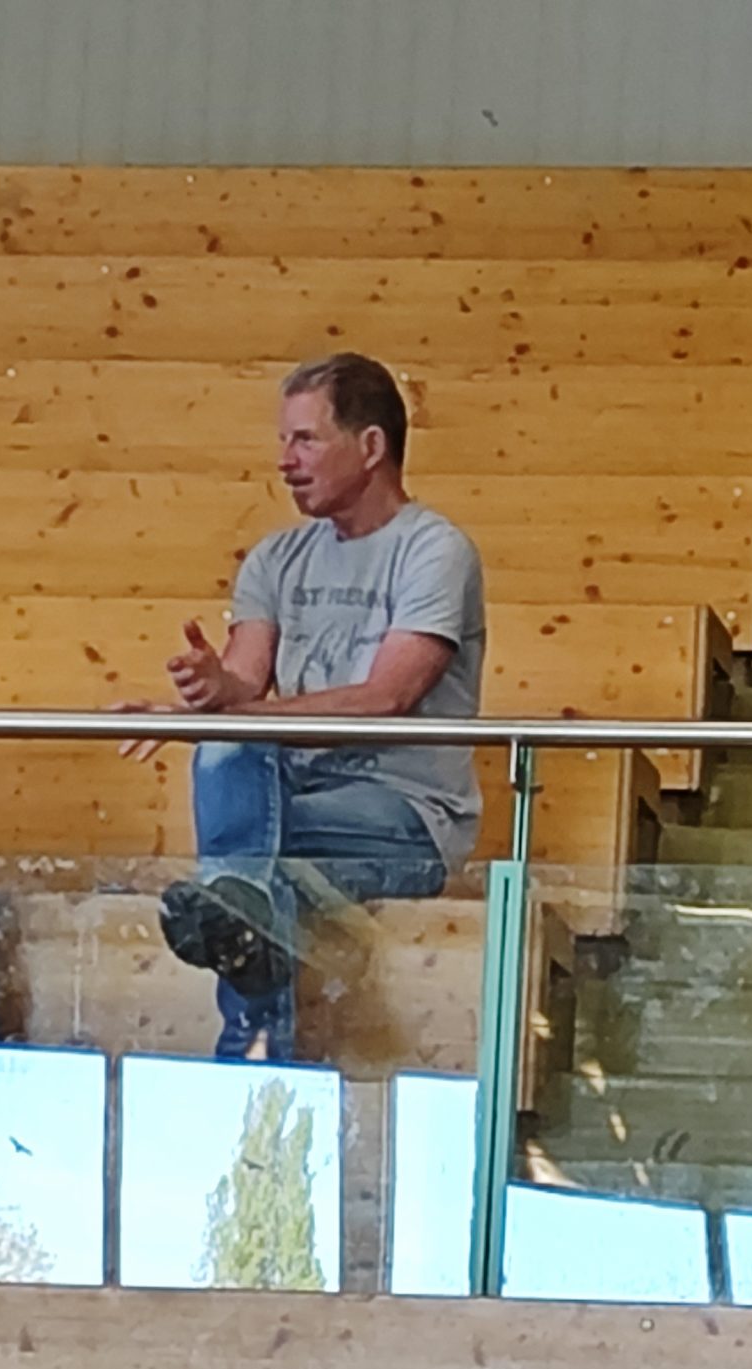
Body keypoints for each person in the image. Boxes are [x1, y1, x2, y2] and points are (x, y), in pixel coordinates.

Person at [118, 352, 485, 1063]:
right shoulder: (274, 557)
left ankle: (246, 1059)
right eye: (284, 441)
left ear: (371, 446)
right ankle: (259, 1050)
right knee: (250, 864)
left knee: (238, 867)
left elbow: (387, 696)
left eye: (306, 440)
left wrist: (221, 719)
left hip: (405, 818)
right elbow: (245, 683)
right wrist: (212, 691)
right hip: (287, 810)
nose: (285, 461)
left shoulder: (435, 551)